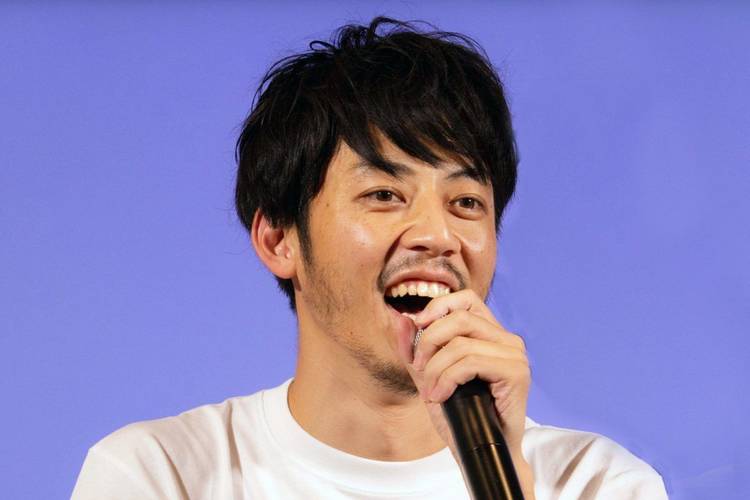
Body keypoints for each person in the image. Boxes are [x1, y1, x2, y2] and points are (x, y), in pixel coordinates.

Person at [72, 17, 668, 499]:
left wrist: (507, 483)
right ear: (279, 240)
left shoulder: (598, 485)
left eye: (466, 202)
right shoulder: (159, 475)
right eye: (384, 194)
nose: (437, 235)